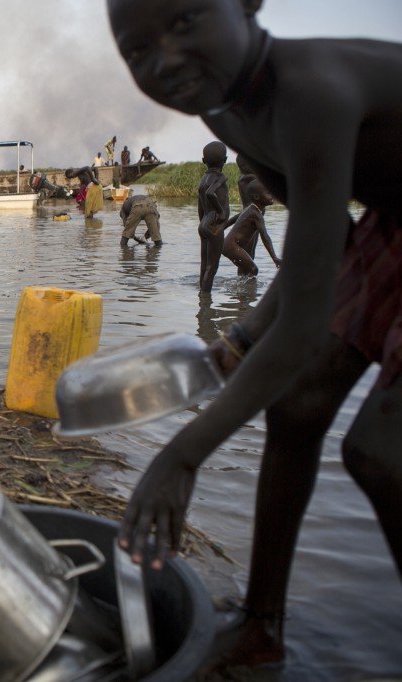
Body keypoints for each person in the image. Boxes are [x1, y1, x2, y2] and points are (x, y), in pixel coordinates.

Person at [108, 0, 402, 671]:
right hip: (389, 222)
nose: (166, 58)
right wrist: (238, 341)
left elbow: (301, 330)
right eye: (137, 52)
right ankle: (261, 627)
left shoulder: (311, 94)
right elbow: (313, 256)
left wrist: (183, 453)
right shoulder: (222, 108)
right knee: (295, 405)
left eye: (184, 22)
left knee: (381, 450)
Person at [222, 178, 281, 276]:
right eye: (268, 193)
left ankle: (241, 289)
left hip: (230, 245)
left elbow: (235, 218)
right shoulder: (256, 214)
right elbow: (265, 236)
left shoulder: (250, 209)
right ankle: (247, 290)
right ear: (257, 197)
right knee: (253, 270)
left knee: (245, 270)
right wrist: (274, 258)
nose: (272, 195)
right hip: (232, 246)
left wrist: (222, 227)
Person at [197, 141, 231, 293]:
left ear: (204, 161)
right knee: (212, 267)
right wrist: (221, 212)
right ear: (225, 160)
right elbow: (211, 193)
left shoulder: (203, 180)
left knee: (204, 265)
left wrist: (202, 224)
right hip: (214, 225)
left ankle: (201, 296)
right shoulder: (220, 177)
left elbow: (200, 207)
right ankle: (206, 300)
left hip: (204, 224)